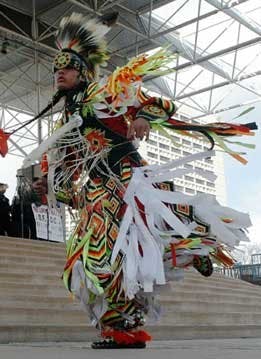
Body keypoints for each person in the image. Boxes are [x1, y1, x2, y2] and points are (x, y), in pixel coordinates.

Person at [25, 12, 256, 349]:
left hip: (130, 182)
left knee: (116, 254)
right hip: (98, 193)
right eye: (56, 68)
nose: (59, 72)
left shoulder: (106, 92)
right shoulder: (69, 115)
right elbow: (72, 161)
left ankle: (192, 242)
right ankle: (125, 326)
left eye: (67, 66)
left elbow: (162, 103)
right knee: (93, 262)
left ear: (83, 71)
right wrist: (54, 186)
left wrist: (143, 117)